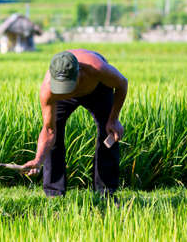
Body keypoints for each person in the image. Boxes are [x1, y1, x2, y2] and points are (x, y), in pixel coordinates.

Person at [22, 50, 128, 197]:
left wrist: (114, 119)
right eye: (61, 85)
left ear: (80, 72)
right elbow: (49, 130)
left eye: (68, 85)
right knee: (55, 134)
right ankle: (54, 194)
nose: (66, 90)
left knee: (109, 132)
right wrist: (38, 159)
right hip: (63, 97)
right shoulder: (49, 90)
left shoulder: (97, 68)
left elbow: (122, 84)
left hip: (97, 89)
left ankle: (105, 193)